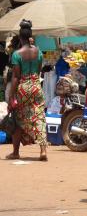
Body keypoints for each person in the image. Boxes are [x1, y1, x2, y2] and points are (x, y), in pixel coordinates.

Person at [6, 19, 48, 161]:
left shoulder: (17, 54)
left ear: (20, 36)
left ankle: (16, 152)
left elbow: (16, 77)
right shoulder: (39, 52)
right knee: (39, 116)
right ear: (30, 35)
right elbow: (39, 70)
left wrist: (11, 97)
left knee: (18, 118)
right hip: (36, 86)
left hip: (23, 87)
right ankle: (43, 150)